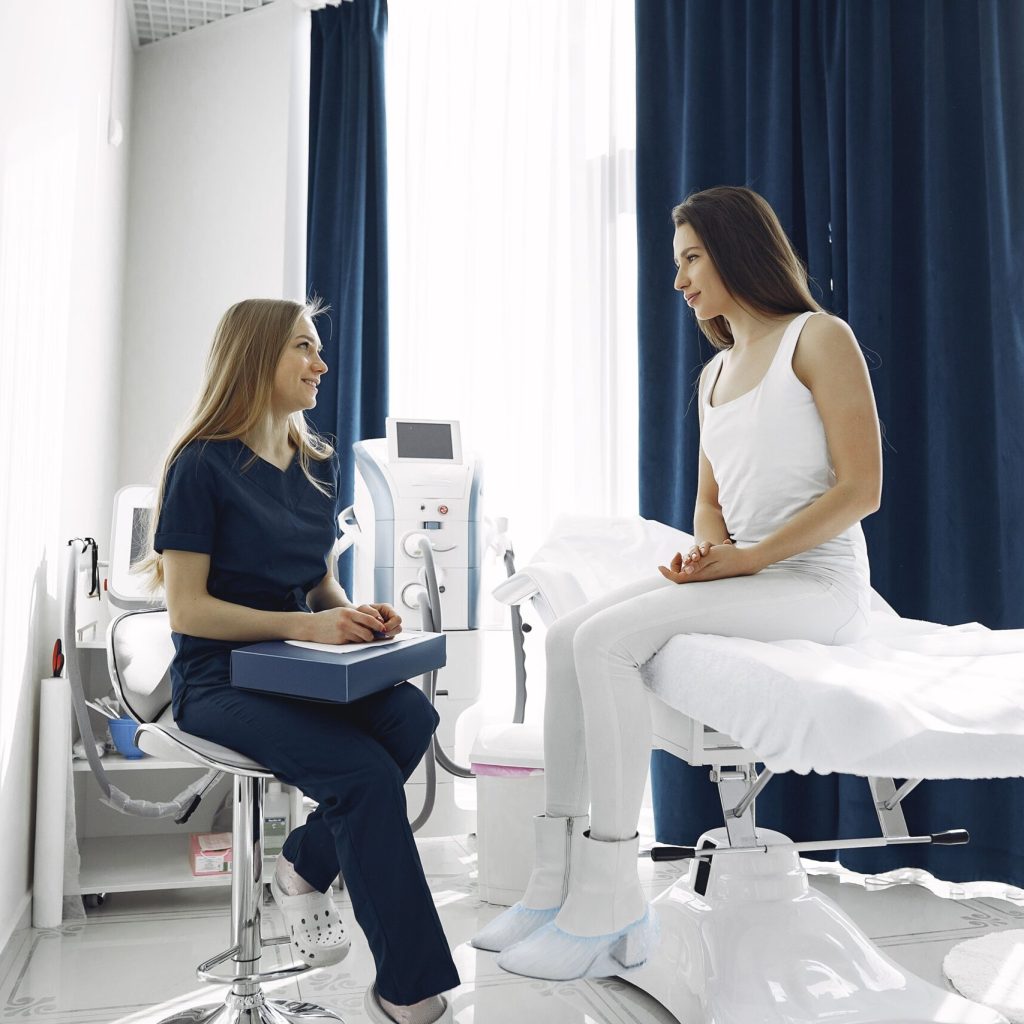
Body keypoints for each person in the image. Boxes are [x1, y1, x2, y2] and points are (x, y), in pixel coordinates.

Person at [472, 185, 882, 980]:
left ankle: (612, 891)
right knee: (567, 635)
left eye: (690, 257)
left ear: (736, 250)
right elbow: (708, 501)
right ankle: (553, 881)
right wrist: (710, 552)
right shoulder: (715, 375)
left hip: (818, 583)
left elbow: (861, 490)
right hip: (753, 571)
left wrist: (747, 561)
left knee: (609, 645)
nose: (680, 279)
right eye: (679, 262)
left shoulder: (819, 339)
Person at [146, 299, 458, 1024]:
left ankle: (305, 864)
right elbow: (188, 611)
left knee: (413, 715)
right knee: (363, 776)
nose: (321, 364)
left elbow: (319, 582)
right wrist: (310, 626)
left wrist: (354, 615)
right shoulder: (200, 467)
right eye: (304, 349)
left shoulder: (314, 462)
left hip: (301, 666)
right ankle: (408, 990)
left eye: (318, 350)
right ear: (256, 359)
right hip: (218, 678)